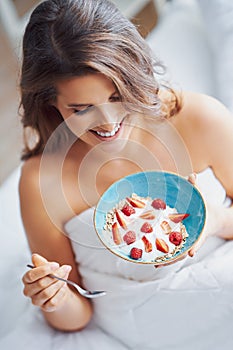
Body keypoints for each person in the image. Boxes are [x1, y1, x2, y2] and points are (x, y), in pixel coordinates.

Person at [19, 0, 233, 348]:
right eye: (82, 108)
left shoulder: (200, 117)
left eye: (118, 95)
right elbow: (79, 314)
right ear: (50, 103)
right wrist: (54, 299)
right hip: (149, 326)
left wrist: (215, 222)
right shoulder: (40, 180)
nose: (107, 121)